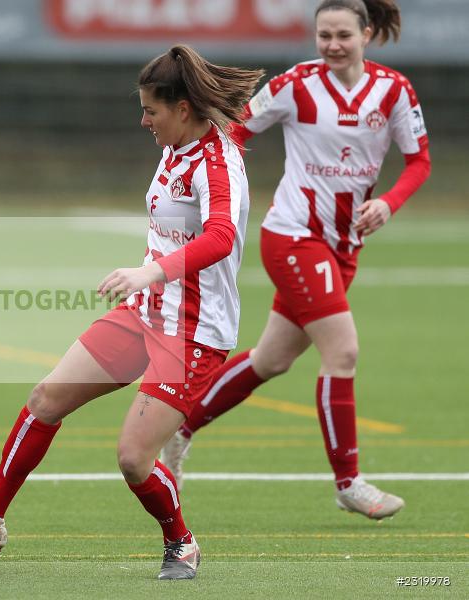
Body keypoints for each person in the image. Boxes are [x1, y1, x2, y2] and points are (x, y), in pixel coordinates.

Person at [0, 46, 262, 580]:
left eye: (151, 110)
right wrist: (149, 283)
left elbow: (220, 236)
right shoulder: (178, 144)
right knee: (46, 398)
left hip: (194, 331)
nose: (143, 119)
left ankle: (182, 542)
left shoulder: (217, 164)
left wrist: (150, 271)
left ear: (183, 110)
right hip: (145, 313)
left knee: (133, 459)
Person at [161, 0, 430, 520]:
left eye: (342, 35)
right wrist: (213, 191)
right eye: (323, 35)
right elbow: (234, 132)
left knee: (271, 359)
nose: (332, 45)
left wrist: (387, 203)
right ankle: (349, 482)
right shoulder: (295, 85)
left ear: (366, 34)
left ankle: (179, 425)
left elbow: (419, 160)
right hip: (293, 236)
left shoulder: (394, 90)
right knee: (343, 352)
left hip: (343, 247)